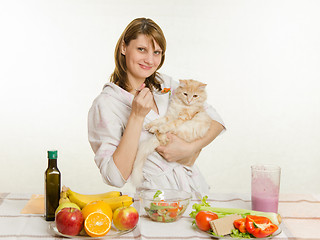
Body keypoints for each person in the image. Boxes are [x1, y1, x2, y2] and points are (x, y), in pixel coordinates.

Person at [88, 17, 225, 193]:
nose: (150, 60)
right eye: (141, 49)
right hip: (156, 201)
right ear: (124, 47)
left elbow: (215, 120)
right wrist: (136, 116)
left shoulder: (165, 85)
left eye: (157, 52)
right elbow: (115, 177)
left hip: (196, 189)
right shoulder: (106, 104)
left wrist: (189, 149)